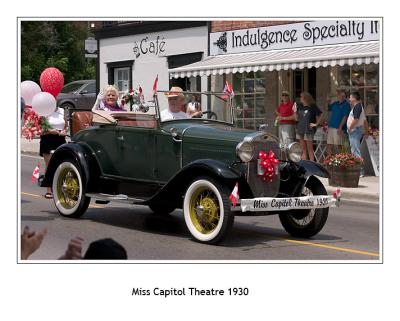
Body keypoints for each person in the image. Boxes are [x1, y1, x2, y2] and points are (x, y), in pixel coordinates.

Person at [40, 105, 68, 199]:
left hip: (60, 139)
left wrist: (64, 131)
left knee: (62, 165)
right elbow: (40, 130)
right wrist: (51, 131)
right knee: (50, 165)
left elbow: (66, 126)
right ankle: (49, 190)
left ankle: (61, 189)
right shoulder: (43, 111)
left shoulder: (62, 110)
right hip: (47, 140)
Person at [295, 92, 322, 161]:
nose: (300, 98)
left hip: (309, 130)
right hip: (300, 129)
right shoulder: (300, 107)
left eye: (301, 97)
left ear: (305, 98)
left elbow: (320, 114)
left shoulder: (312, 106)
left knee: (310, 148)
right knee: (303, 148)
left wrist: (316, 124)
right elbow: (296, 119)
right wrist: (294, 111)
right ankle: (305, 164)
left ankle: (312, 163)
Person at [347, 91, 369, 177]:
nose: (349, 99)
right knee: (355, 150)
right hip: (356, 130)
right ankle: (358, 170)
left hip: (355, 131)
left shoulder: (357, 107)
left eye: (350, 97)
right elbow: (364, 121)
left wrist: (350, 128)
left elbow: (356, 120)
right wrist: (366, 132)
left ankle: (360, 171)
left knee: (355, 151)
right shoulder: (359, 107)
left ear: (354, 98)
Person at [326, 89, 351, 157]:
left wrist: (340, 127)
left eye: (342, 95)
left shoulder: (346, 105)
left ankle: (340, 161)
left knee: (338, 146)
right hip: (331, 127)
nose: (340, 96)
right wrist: (328, 101)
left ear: (344, 96)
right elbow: (329, 109)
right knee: (329, 145)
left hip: (338, 128)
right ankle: (329, 161)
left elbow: (345, 117)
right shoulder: (335, 103)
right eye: (339, 95)